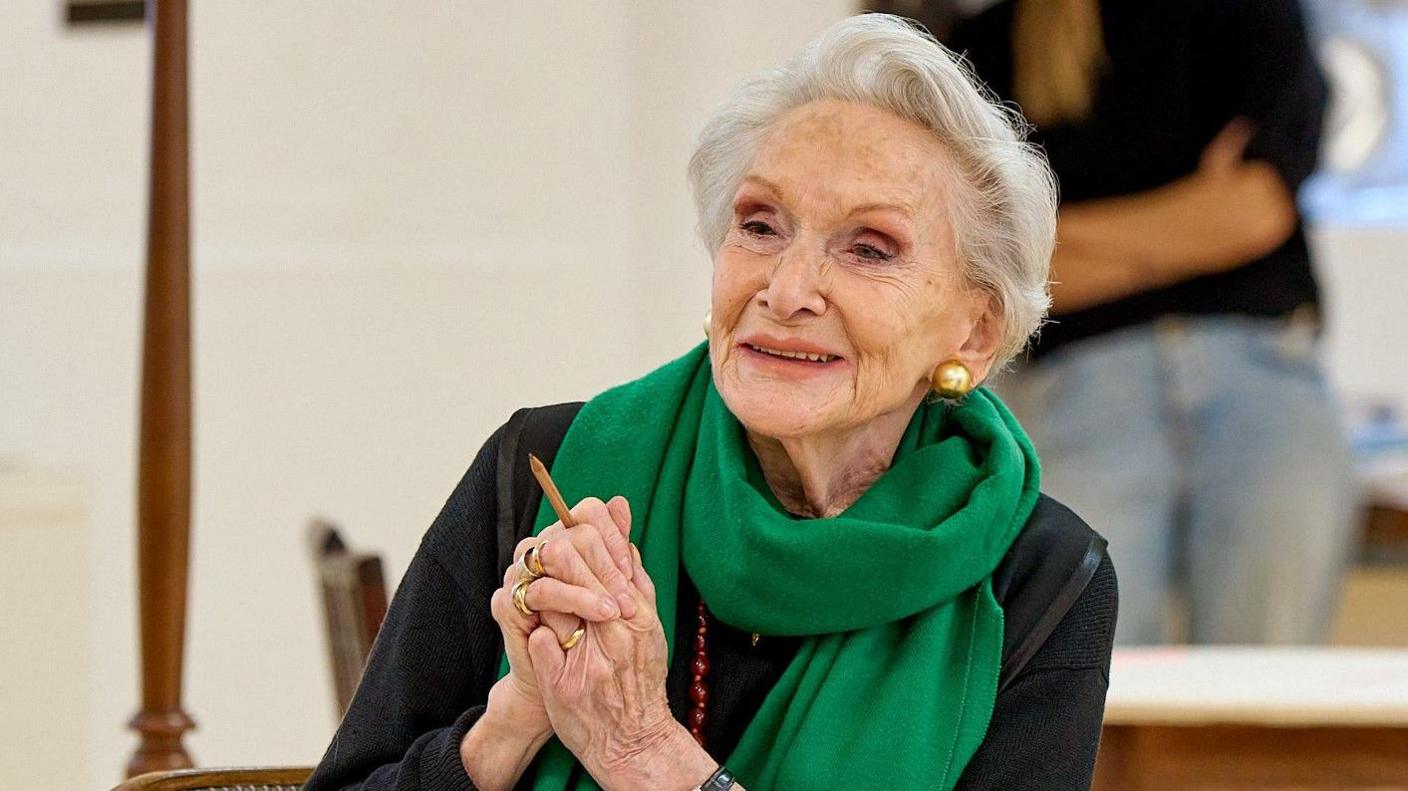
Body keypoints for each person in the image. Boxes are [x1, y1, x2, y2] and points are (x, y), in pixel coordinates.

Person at [305, 14, 1116, 791]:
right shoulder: (542, 468)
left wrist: (645, 752)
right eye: (760, 226)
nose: (786, 289)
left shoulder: (1040, 577)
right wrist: (513, 719)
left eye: (869, 248)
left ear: (974, 333)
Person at [929, 0, 1357, 645]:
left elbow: (1254, 212)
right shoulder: (983, 48)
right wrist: (1193, 226)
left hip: (1261, 384)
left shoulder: (1253, 14)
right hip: (1080, 396)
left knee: (1269, 693)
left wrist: (1064, 241)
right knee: (1087, 683)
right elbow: (988, 267)